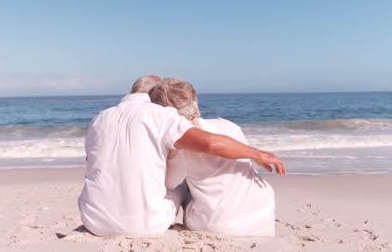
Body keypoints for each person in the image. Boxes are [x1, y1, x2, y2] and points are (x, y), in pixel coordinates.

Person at [79, 75, 285, 236]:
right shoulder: (164, 115)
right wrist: (259, 154)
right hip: (260, 214)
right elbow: (210, 142)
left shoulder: (99, 118)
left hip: (93, 220)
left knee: (176, 179)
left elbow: (92, 163)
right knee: (181, 181)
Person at [149, 80, 278, 236]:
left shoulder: (181, 149)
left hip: (218, 224)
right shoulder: (229, 125)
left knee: (179, 186)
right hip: (261, 215)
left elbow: (169, 184)